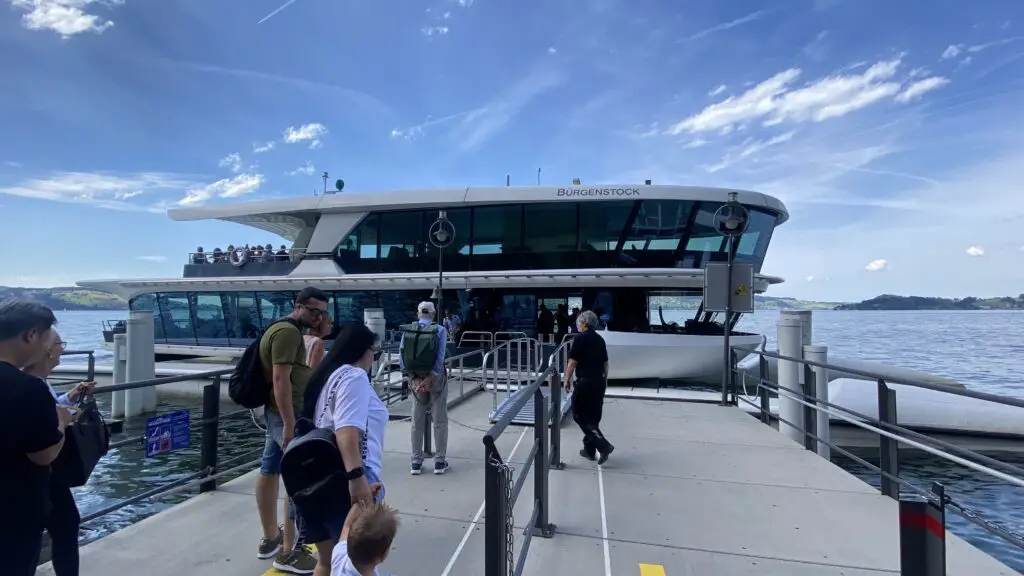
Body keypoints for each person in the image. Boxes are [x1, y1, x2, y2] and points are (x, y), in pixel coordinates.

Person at [303, 322, 390, 576]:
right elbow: (346, 431)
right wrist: (357, 479)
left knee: (328, 562)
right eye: (374, 349)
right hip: (352, 478)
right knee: (359, 565)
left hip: (324, 477)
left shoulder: (330, 376)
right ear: (364, 350)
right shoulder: (354, 376)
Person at [0, 300, 77, 576]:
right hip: (13, 510)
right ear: (31, 335)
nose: (48, 348)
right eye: (47, 338)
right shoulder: (27, 388)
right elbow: (43, 454)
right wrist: (62, 421)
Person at [256, 287, 329, 574]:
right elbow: (280, 378)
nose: (318, 317)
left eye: (322, 312)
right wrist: (289, 423)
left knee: (269, 468)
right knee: (298, 479)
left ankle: (271, 539)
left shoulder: (281, 329)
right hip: (286, 415)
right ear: (296, 306)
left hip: (276, 412)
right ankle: (290, 552)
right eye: (313, 311)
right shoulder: (288, 333)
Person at [23, 330, 95, 576]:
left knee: (61, 526)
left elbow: (54, 407)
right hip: (44, 471)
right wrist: (70, 416)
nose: (62, 352)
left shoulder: (39, 381)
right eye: (59, 345)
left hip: (47, 473)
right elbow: (50, 424)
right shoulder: (30, 385)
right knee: (58, 528)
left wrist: (71, 396)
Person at [399, 301, 449, 475]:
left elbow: (401, 356)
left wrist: (413, 380)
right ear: (433, 314)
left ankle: (416, 462)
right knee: (439, 420)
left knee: (417, 420)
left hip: (415, 378)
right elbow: (440, 356)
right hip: (435, 379)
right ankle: (440, 462)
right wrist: (429, 379)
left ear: (418, 313)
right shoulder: (440, 330)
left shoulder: (409, 329)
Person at [563, 309, 615, 464]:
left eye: (579, 322)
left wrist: (567, 379)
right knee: (593, 417)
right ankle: (589, 450)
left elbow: (572, 362)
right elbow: (605, 364)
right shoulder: (600, 339)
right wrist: (605, 380)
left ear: (584, 323)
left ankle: (603, 445)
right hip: (599, 381)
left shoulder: (580, 338)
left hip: (585, 381)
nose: (577, 325)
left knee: (578, 414)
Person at [330, 496, 399, 576]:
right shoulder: (339, 552)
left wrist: (358, 504)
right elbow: (348, 526)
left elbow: (347, 526)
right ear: (383, 556)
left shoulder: (339, 554)